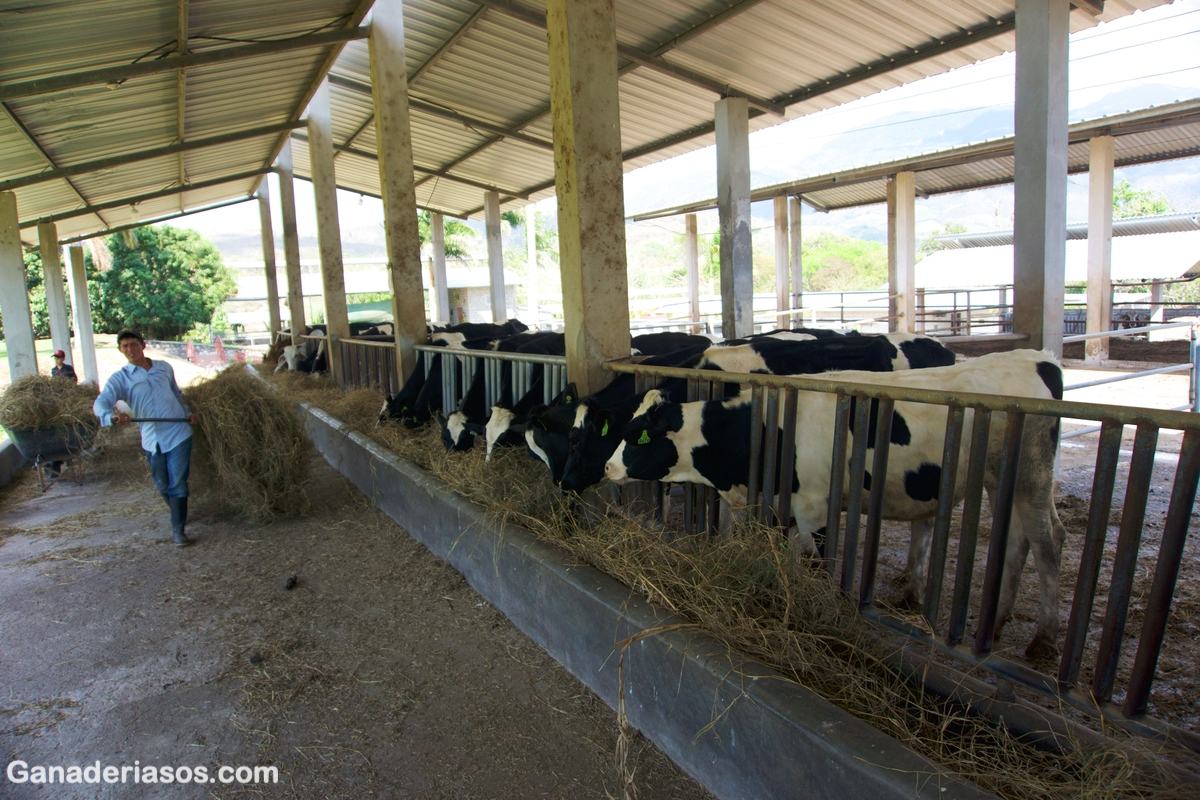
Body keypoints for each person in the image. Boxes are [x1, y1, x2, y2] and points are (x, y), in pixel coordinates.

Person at [93, 329, 199, 546]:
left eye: (133, 344)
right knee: (162, 484)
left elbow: (176, 394)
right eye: (125, 346)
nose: (130, 349)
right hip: (152, 438)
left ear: (143, 345)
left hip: (178, 432)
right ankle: (177, 512)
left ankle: (178, 530)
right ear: (120, 350)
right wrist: (111, 416)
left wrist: (188, 412)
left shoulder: (164, 368)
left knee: (178, 483)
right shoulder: (121, 378)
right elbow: (101, 402)